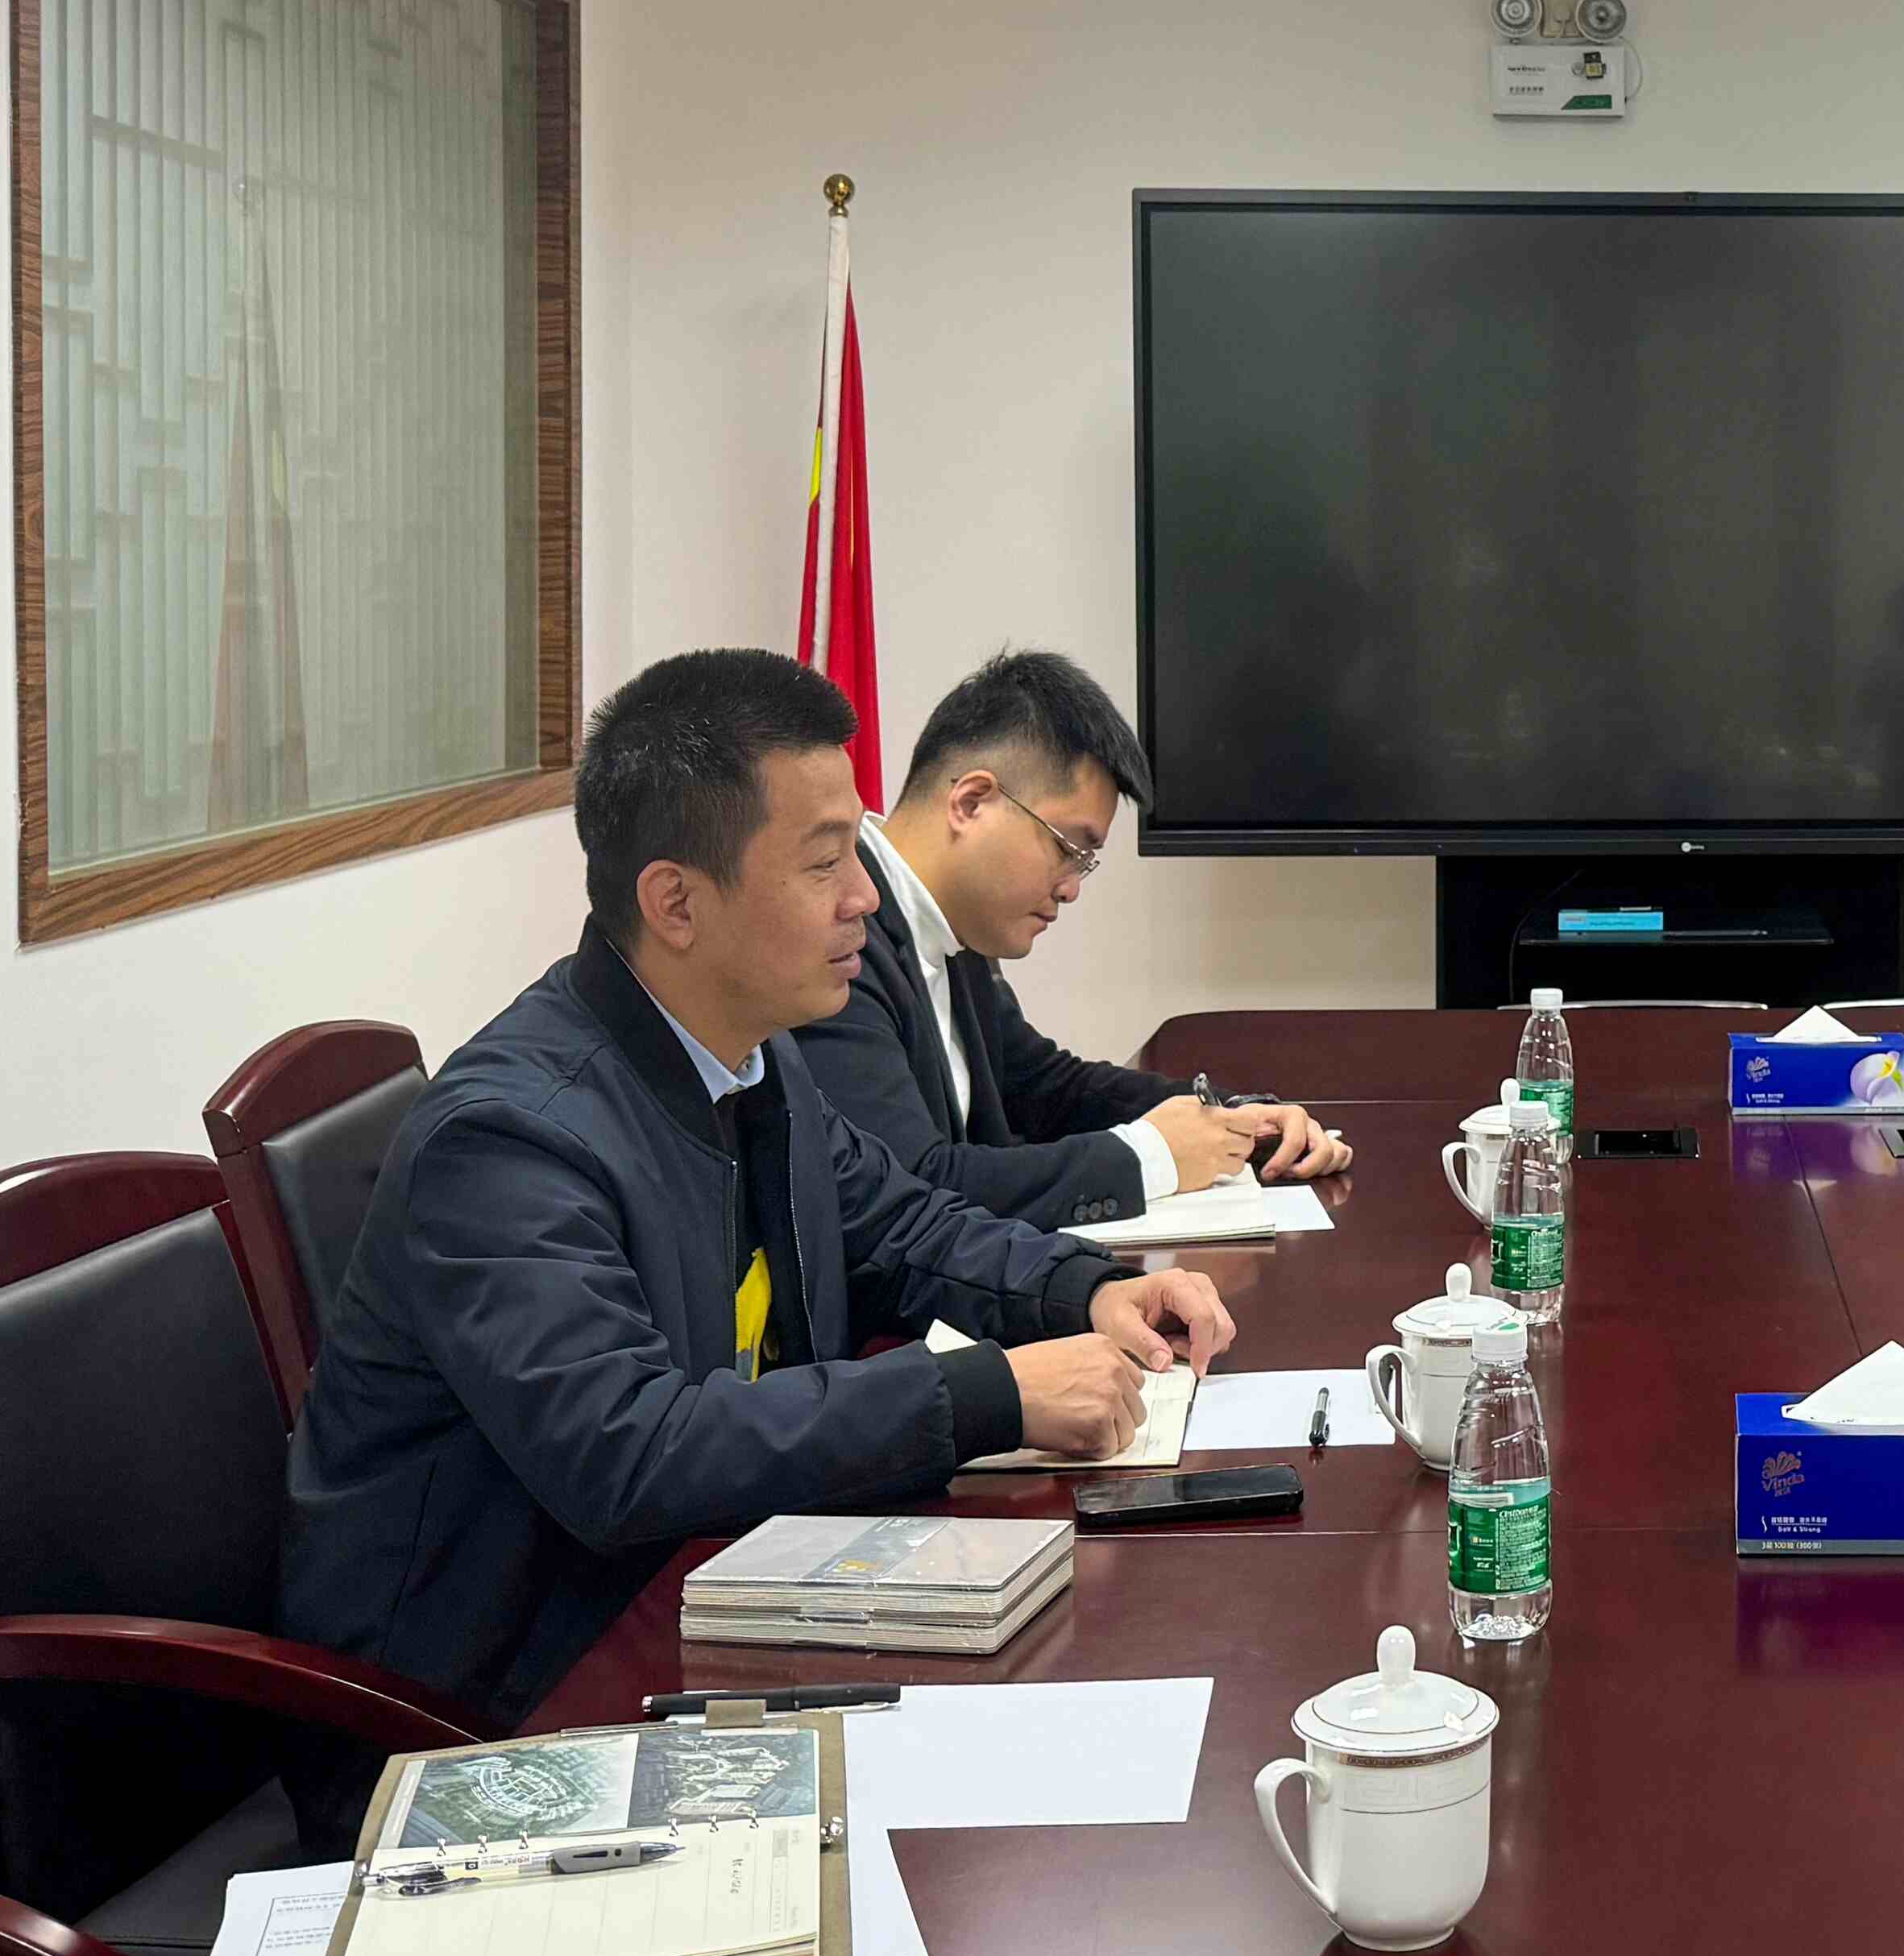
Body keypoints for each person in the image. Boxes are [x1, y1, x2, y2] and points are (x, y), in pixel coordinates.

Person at [279, 649, 1237, 1727]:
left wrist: (1086, 1287)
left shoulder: (749, 1056)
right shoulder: (509, 1138)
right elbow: (630, 1449)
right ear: (676, 902)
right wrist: (988, 1393)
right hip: (490, 1706)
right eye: (824, 863)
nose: (865, 895)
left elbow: (898, 1222)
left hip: (708, 1596)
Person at [797, 649, 1346, 1229]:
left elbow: (1045, 1088)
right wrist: (1152, 1156)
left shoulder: (953, 931)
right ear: (971, 802)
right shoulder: (840, 940)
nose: (1071, 888)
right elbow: (909, 1188)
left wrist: (1232, 1119)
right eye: (1068, 849)